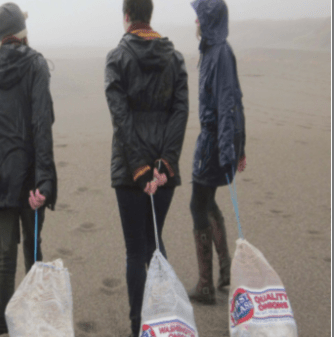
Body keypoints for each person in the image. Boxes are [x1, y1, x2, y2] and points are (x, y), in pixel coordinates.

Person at [104, 0, 189, 335]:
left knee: (135, 250)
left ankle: (140, 325)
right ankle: (164, 317)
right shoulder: (175, 58)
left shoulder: (117, 57)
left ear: (127, 17)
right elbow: (180, 113)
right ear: (149, 15)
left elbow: (120, 118)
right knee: (153, 243)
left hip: (130, 170)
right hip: (158, 169)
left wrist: (141, 167)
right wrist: (164, 162)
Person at [0, 3, 58, 336]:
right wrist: (45, 180)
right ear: (20, 31)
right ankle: (33, 321)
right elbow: (42, 123)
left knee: (4, 261)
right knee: (32, 252)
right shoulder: (36, 63)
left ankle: (3, 325)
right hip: (28, 176)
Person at [188, 0, 246, 305]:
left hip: (213, 142)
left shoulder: (221, 53)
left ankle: (206, 285)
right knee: (207, 200)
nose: (195, 22)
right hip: (214, 140)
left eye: (198, 18)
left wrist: (230, 151)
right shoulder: (212, 51)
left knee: (197, 204)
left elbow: (229, 102)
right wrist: (239, 146)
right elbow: (236, 99)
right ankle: (224, 271)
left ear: (208, 22)